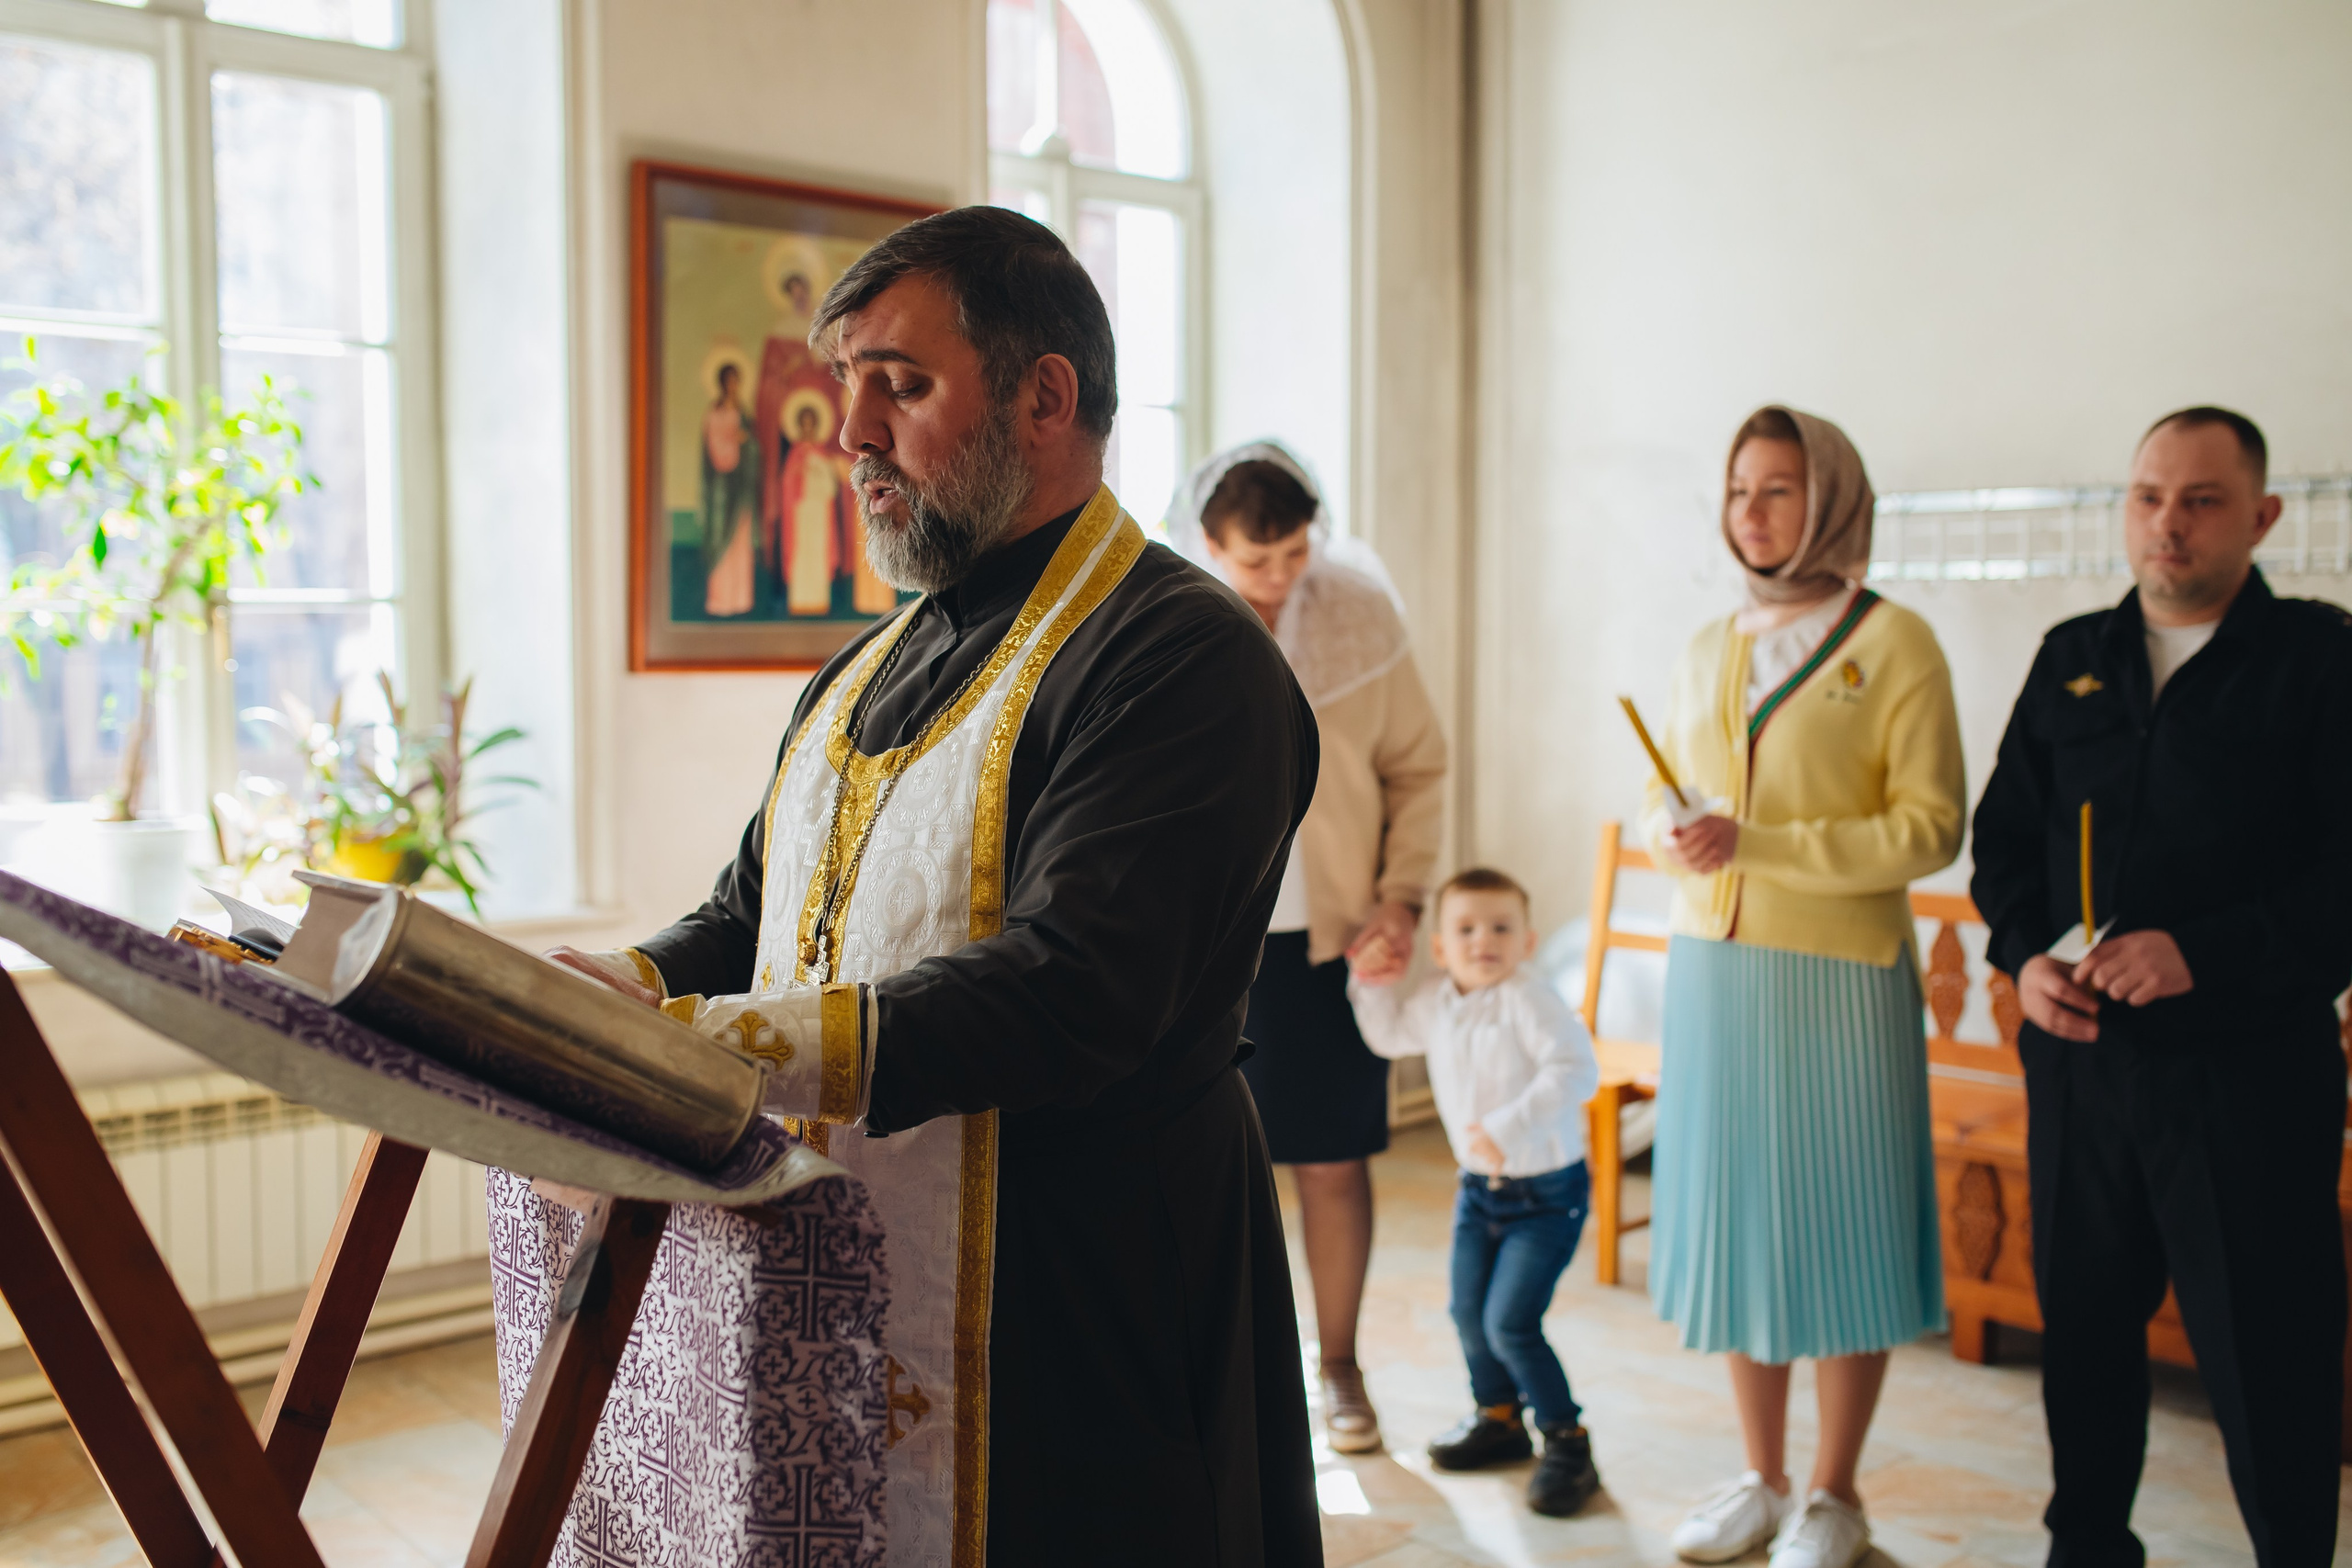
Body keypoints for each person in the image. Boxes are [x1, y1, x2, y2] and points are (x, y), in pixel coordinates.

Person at [529, 206, 1324, 1566]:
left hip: (1084, 1287)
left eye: (900, 383)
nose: (851, 433)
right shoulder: (868, 662)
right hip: (858, 1257)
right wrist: (615, 991)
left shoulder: (1182, 657)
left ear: (1045, 394)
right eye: (845, 385)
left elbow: (1079, 988)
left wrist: (696, 1052)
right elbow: (751, 911)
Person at [1970, 408, 2352, 1568]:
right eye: (2147, 496)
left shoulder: (2321, 662)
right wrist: (2023, 959)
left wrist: (2205, 953)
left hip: (2246, 1073)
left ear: (2262, 516)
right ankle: (2086, 1549)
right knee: (2082, 1337)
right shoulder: (2069, 656)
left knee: (2266, 1349)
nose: (2167, 524)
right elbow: (2004, 847)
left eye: (2199, 500)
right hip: (2083, 1068)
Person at [1644, 406, 1964, 1568]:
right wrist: (1672, 830)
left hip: (1839, 975)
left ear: (1828, 498)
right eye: (1738, 492)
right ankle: (1760, 1477)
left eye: (1777, 490)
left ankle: (1834, 1493)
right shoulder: (1706, 645)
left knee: (1845, 1229)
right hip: (1715, 968)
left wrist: (1758, 842)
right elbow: (1667, 794)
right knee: (1740, 1229)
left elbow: (1931, 826)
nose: (1754, 514)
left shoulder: (1897, 642)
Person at [1169, 443, 1448, 1454]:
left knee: (1332, 1163)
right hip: (1206, 946)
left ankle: (1341, 1370)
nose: (1282, 577)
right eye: (1258, 561)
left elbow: (1418, 768)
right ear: (1210, 546)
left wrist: (1402, 898)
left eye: (1294, 552)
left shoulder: (1361, 614)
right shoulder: (1164, 618)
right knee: (1199, 1169)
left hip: (1330, 940)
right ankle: (1222, 1383)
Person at [1350, 866, 1603, 1516]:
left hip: (1546, 1193)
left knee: (1510, 1321)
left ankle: (1568, 1440)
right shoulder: (1437, 999)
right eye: (1465, 928)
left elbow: (1577, 1069)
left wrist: (1506, 1125)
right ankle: (1499, 1418)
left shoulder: (1530, 997)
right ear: (1439, 946)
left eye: (1501, 927)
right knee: (1467, 1312)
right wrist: (1368, 977)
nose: (1483, 939)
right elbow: (1387, 1035)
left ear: (1529, 940)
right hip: (1479, 1193)